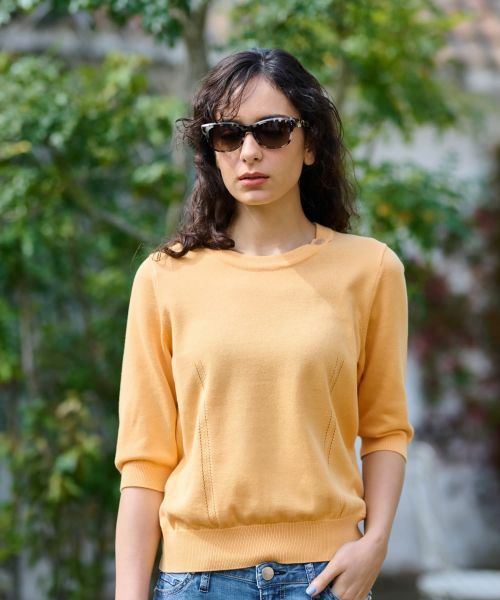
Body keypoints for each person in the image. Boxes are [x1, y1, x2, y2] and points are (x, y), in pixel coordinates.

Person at [114, 47, 414, 600]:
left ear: (310, 144)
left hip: (325, 578)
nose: (249, 151)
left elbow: (386, 428)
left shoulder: (370, 270)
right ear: (212, 151)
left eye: (272, 131)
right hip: (197, 582)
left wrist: (376, 543)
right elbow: (143, 462)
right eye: (228, 135)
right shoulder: (164, 277)